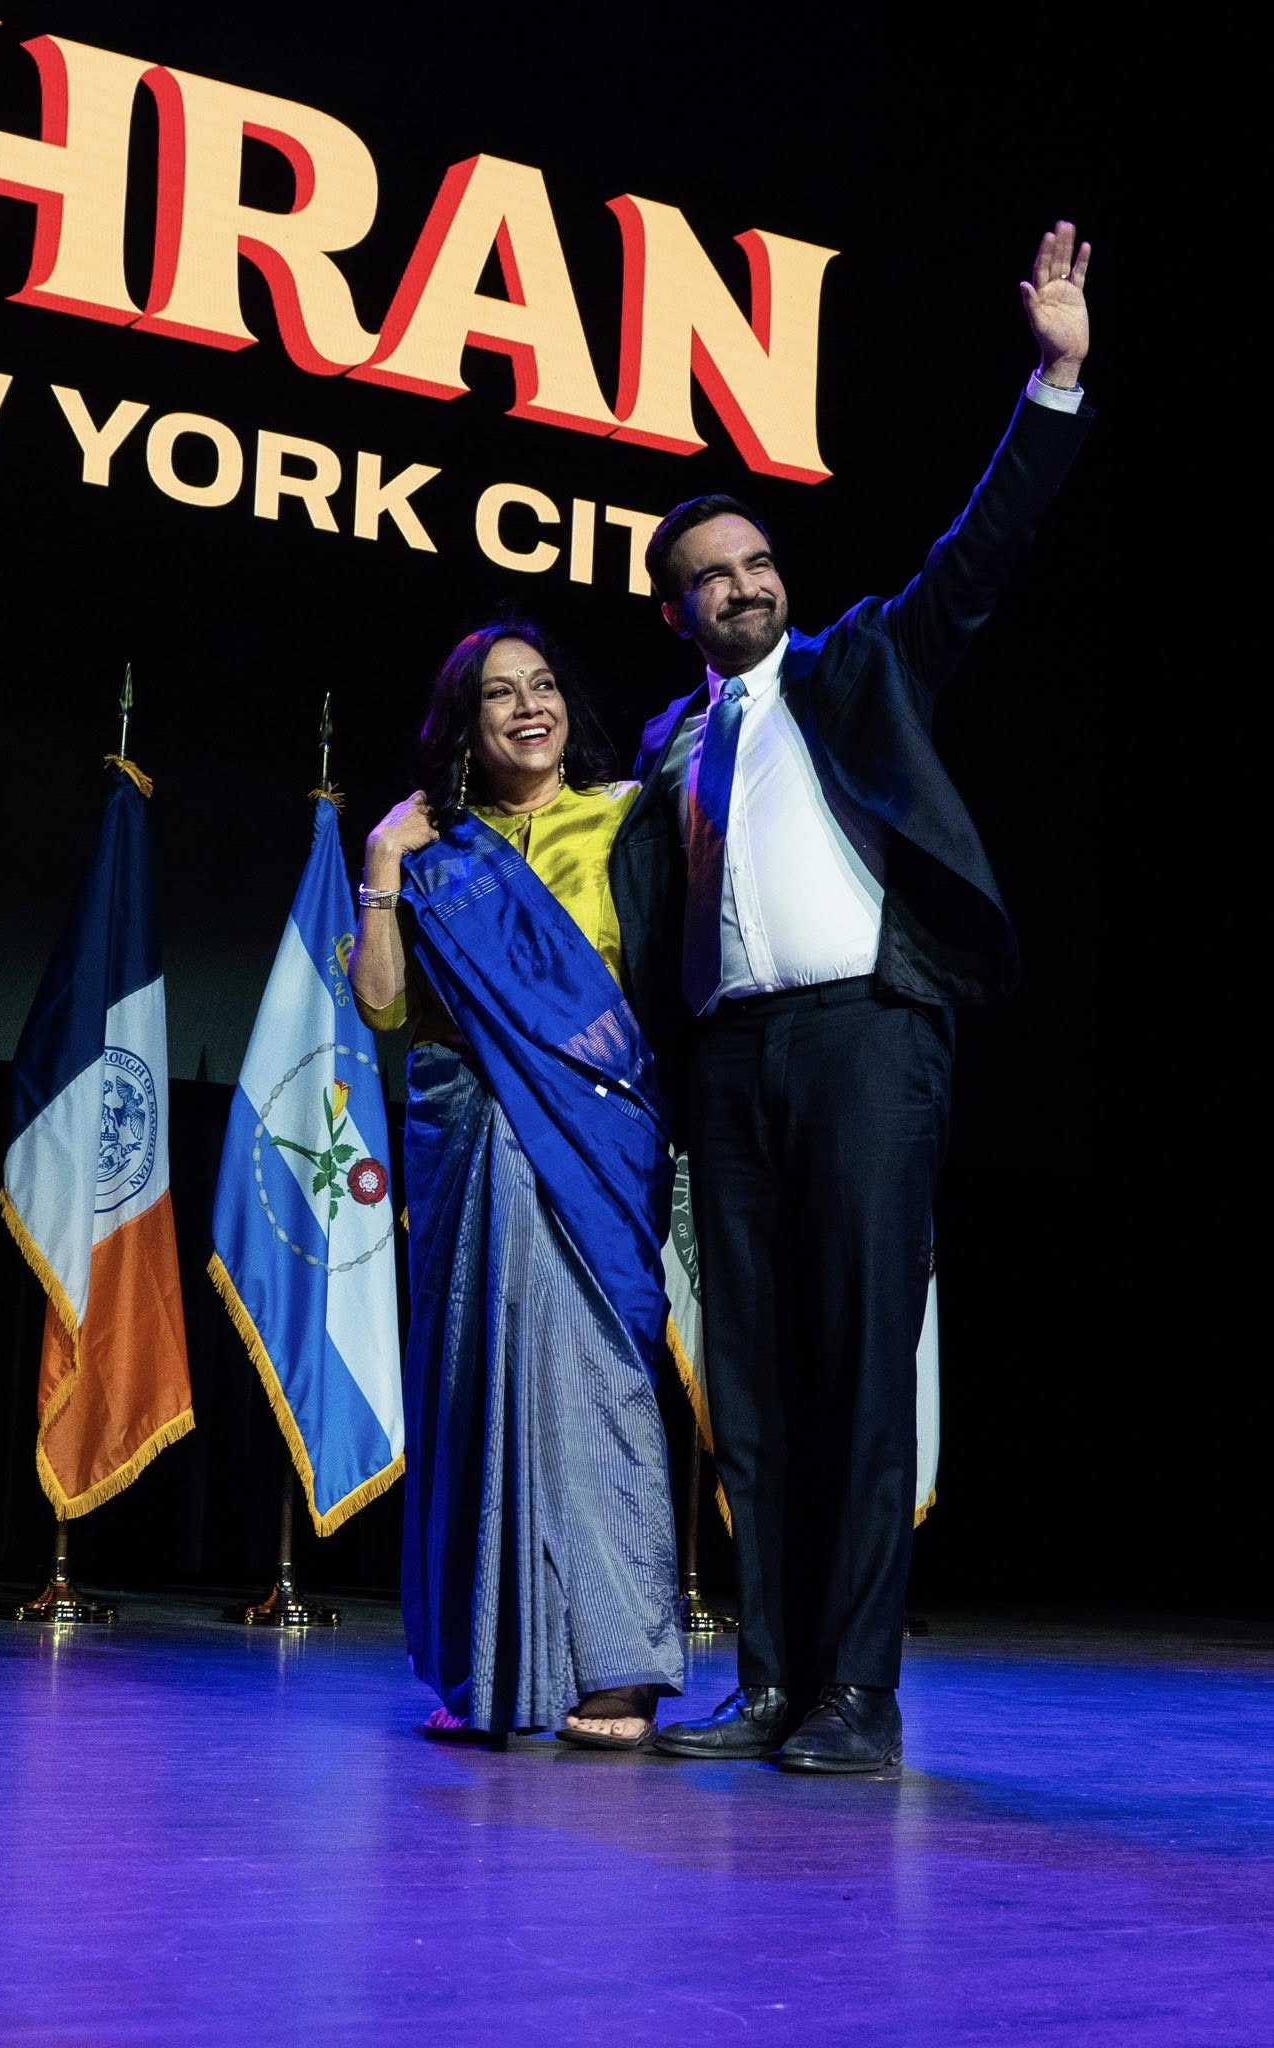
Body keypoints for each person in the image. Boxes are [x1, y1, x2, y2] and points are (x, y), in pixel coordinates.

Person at [610, 221, 1094, 1772]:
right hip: (730, 1067)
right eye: (711, 579)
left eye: (757, 565)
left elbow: (979, 558)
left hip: (866, 1043)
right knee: (747, 1382)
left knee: (857, 1359)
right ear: (672, 612)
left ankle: (860, 1696)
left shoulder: (858, 665)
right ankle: (766, 1680)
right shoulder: (667, 750)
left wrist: (1053, 380)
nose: (744, 589)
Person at [351, 621, 685, 1749]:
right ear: (465, 723)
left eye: (544, 685)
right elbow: (384, 1008)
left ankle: (620, 1665)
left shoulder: (628, 818)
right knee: (477, 1387)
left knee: (596, 1385)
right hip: (466, 1132)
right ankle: (490, 1668)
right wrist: (384, 871)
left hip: (594, 1136)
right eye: (500, 694)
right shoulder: (439, 853)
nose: (528, 708)